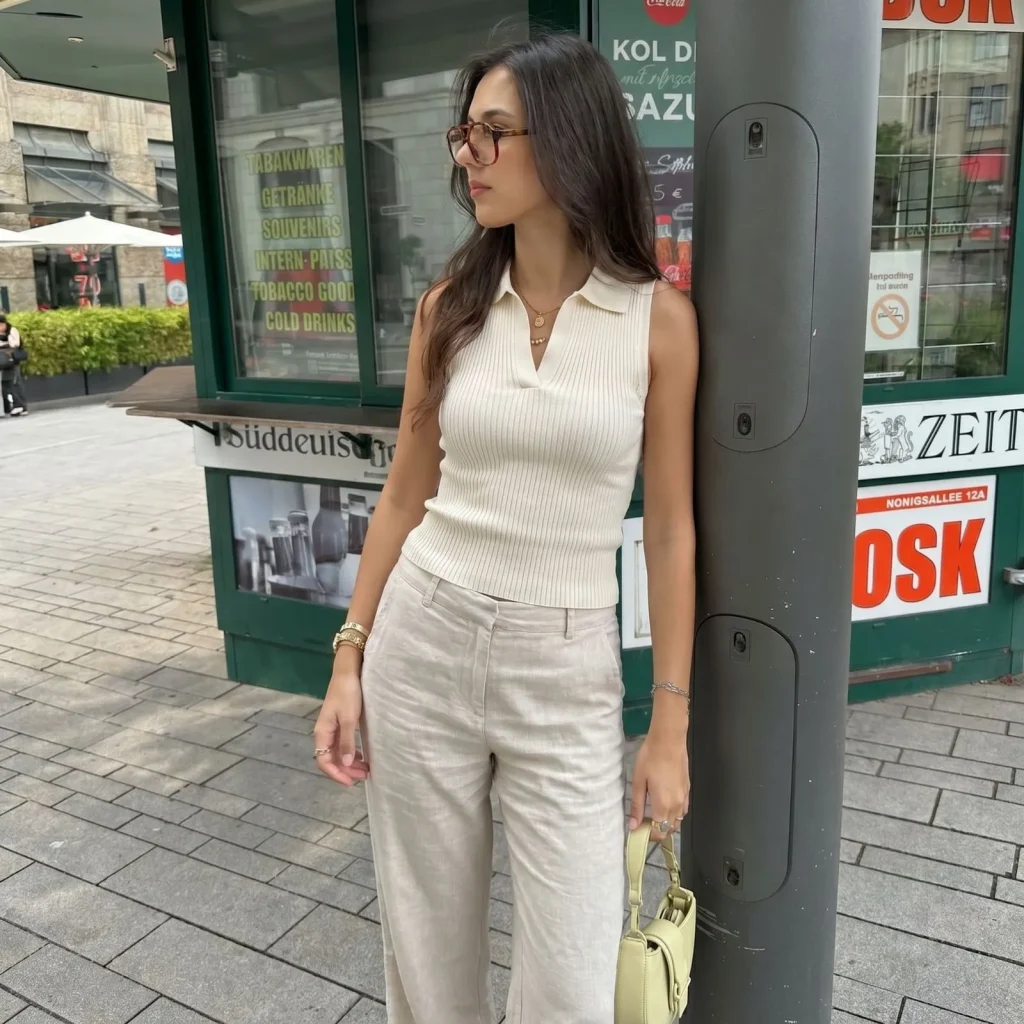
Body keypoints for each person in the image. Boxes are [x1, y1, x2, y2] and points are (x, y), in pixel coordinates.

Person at [313, 33, 698, 1024]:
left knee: (570, 986)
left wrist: (669, 725)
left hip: (564, 665)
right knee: (428, 967)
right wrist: (349, 657)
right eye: (463, 134)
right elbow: (403, 493)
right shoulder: (450, 307)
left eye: (493, 133)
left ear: (568, 140)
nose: (466, 157)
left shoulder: (654, 321)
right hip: (424, 636)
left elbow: (669, 529)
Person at [0, 314, 28, 416]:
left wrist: (6, 338)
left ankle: (21, 405)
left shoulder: (12, 331)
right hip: (3, 361)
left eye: (1, 325)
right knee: (6, 384)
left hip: (13, 360)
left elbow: (15, 344)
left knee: (15, 382)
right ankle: (11, 406)